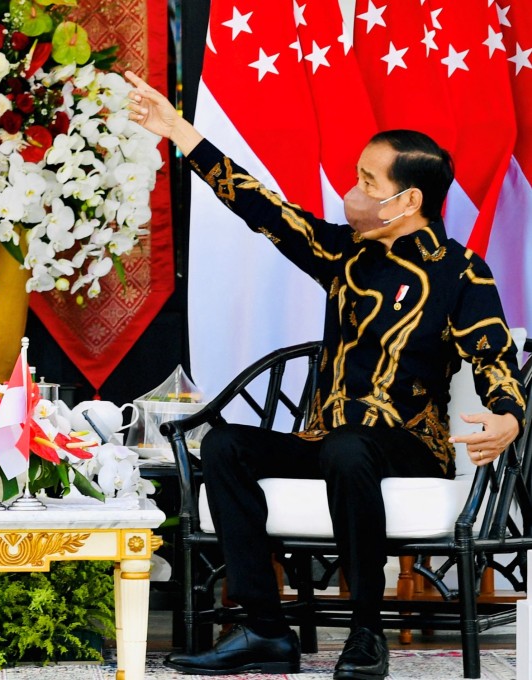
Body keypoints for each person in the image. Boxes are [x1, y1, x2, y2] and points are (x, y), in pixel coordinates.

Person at [124, 72, 527, 680]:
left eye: (368, 182)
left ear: (409, 200)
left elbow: (494, 355)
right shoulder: (345, 255)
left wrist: (508, 415)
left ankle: (365, 633)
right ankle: (264, 629)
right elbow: (265, 209)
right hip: (330, 440)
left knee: (349, 448)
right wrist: (180, 132)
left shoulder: (460, 272)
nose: (352, 192)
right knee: (227, 445)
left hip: (409, 445)